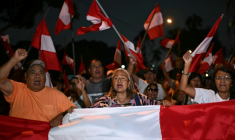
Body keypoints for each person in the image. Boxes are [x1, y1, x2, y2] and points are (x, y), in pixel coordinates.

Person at [0, 49, 76, 127]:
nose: (37, 76)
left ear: (45, 77)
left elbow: (73, 111)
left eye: (41, 73)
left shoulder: (57, 95)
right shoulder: (17, 89)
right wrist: (14, 59)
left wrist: (60, 116)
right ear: (26, 76)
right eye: (33, 72)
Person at [91, 68, 162, 107]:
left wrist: (165, 104)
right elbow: (88, 114)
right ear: (113, 84)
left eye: (123, 78)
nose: (119, 81)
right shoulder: (104, 102)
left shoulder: (139, 99)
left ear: (128, 83)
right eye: (116, 78)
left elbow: (158, 106)